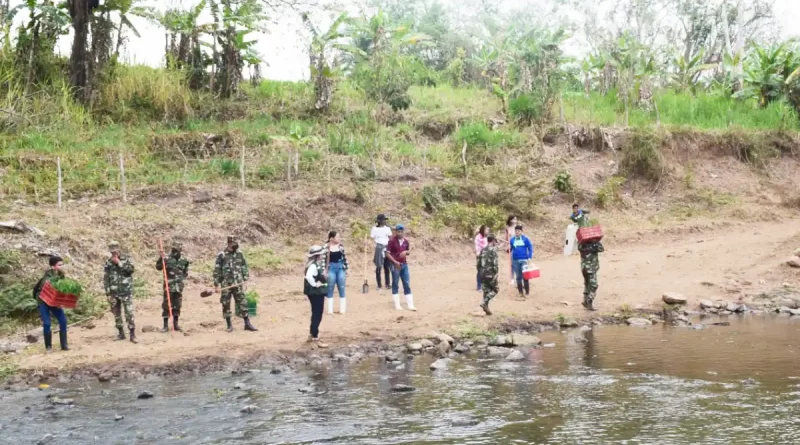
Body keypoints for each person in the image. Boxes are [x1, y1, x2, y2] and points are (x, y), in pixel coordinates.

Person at [213, 236, 257, 333]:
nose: (232, 247)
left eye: (234, 246)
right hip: (226, 284)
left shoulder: (239, 254)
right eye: (231, 245)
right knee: (226, 304)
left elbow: (244, 266)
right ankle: (229, 325)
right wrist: (216, 284)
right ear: (228, 244)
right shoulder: (222, 255)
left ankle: (247, 323)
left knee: (242, 302)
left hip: (238, 283)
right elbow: (217, 270)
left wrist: (245, 278)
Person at [32, 256, 69, 351]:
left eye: (62, 264)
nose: (62, 266)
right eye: (59, 265)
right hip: (43, 302)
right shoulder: (47, 277)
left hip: (54, 302)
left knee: (63, 321)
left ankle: (64, 345)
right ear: (53, 266)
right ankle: (48, 347)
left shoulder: (61, 275)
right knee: (47, 324)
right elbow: (50, 287)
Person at [104, 241, 137, 343]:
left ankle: (132, 334)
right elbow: (106, 278)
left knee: (129, 313)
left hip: (125, 291)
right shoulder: (108, 262)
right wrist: (108, 293)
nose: (114, 252)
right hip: (114, 292)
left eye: (115, 250)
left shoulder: (126, 258)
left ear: (119, 249)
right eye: (112, 251)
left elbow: (130, 270)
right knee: (116, 314)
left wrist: (119, 263)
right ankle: (121, 333)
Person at [155, 241, 190, 332]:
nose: (174, 251)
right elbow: (158, 267)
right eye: (173, 249)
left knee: (177, 305)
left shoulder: (184, 260)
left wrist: (180, 279)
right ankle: (165, 326)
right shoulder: (166, 258)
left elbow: (185, 272)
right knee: (167, 304)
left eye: (177, 250)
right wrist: (161, 258)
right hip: (169, 286)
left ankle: (175, 324)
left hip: (179, 286)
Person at [385, 224, 416, 311]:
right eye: (398, 231)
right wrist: (395, 262)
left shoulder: (406, 242)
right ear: (395, 232)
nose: (400, 233)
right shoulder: (391, 241)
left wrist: (406, 252)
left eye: (401, 232)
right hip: (395, 265)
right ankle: (397, 304)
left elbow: (408, 251)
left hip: (404, 264)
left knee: (406, 283)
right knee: (395, 283)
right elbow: (387, 254)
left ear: (403, 232)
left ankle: (410, 304)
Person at [304, 245, 329, 348]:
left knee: (315, 312)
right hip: (315, 292)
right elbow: (309, 277)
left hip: (314, 292)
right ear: (318, 255)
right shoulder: (313, 265)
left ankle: (312, 334)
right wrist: (315, 284)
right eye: (321, 254)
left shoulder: (313, 264)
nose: (322, 256)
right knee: (317, 314)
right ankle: (315, 336)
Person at [322, 231, 348, 314]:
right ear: (331, 238)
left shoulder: (341, 246)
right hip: (331, 268)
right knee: (330, 287)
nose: (339, 238)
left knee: (342, 287)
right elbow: (323, 260)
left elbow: (344, 258)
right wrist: (324, 271)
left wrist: (347, 269)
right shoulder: (326, 247)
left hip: (340, 267)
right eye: (337, 237)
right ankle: (330, 310)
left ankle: (342, 309)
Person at [477, 235, 499, 315]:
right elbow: (495, 264)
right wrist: (496, 273)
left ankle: (486, 308)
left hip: (482, 273)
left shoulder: (483, 250)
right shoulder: (494, 250)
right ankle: (484, 302)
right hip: (490, 273)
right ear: (493, 240)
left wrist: (479, 271)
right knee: (495, 289)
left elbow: (478, 262)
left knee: (486, 291)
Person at [509, 225, 534, 299]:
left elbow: (530, 248)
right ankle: (520, 292)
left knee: (525, 276)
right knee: (518, 277)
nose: (517, 232)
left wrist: (529, 257)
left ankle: (527, 292)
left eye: (519, 231)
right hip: (515, 260)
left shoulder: (525, 239)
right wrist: (508, 249)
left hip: (524, 260)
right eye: (516, 231)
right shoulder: (512, 239)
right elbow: (511, 249)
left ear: (521, 231)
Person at [579, 240, 604, 311]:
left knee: (587, 284)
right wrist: (596, 242)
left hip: (584, 268)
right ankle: (589, 301)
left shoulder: (581, 245)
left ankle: (585, 301)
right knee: (594, 285)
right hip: (591, 268)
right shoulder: (594, 245)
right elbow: (601, 249)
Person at [371, 214, 393, 291]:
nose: (385, 221)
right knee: (378, 266)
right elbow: (372, 236)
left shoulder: (387, 228)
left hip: (386, 246)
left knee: (387, 266)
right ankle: (379, 284)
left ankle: (387, 284)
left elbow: (390, 238)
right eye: (384, 220)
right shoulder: (374, 229)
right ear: (380, 221)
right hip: (379, 247)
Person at [474, 225, 489, 291]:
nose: (488, 231)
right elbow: (482, 247)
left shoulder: (486, 237)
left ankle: (483, 285)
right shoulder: (478, 237)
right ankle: (479, 286)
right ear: (483, 230)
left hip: (486, 255)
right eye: (487, 230)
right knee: (480, 271)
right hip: (480, 255)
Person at [505, 215, 518, 284]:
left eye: (516, 219)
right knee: (512, 263)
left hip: (518, 246)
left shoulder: (517, 227)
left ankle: (519, 277)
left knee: (518, 262)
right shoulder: (507, 228)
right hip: (511, 247)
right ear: (510, 220)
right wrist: (507, 245)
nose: (515, 221)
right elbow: (506, 238)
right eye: (514, 219)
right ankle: (512, 278)